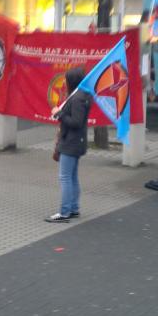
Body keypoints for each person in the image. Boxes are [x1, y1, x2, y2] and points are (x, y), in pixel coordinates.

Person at [45, 68, 92, 223]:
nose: (64, 83)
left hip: (71, 142)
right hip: (76, 142)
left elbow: (76, 122)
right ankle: (73, 208)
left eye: (66, 80)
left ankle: (65, 212)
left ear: (72, 81)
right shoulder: (82, 95)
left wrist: (59, 114)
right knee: (72, 177)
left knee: (65, 177)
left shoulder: (77, 98)